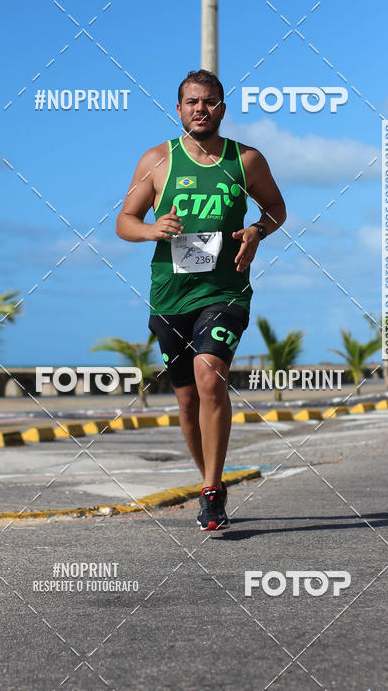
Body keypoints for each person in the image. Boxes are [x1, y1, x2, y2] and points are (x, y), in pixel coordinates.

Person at [116, 69, 286, 530]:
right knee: (187, 400)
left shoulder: (246, 160)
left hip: (225, 290)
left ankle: (211, 490)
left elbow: (276, 208)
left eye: (209, 101)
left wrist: (257, 230)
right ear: (179, 109)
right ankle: (210, 481)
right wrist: (152, 229)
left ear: (222, 109)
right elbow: (125, 221)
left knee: (210, 378)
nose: (201, 109)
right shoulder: (157, 160)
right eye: (192, 102)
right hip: (170, 295)